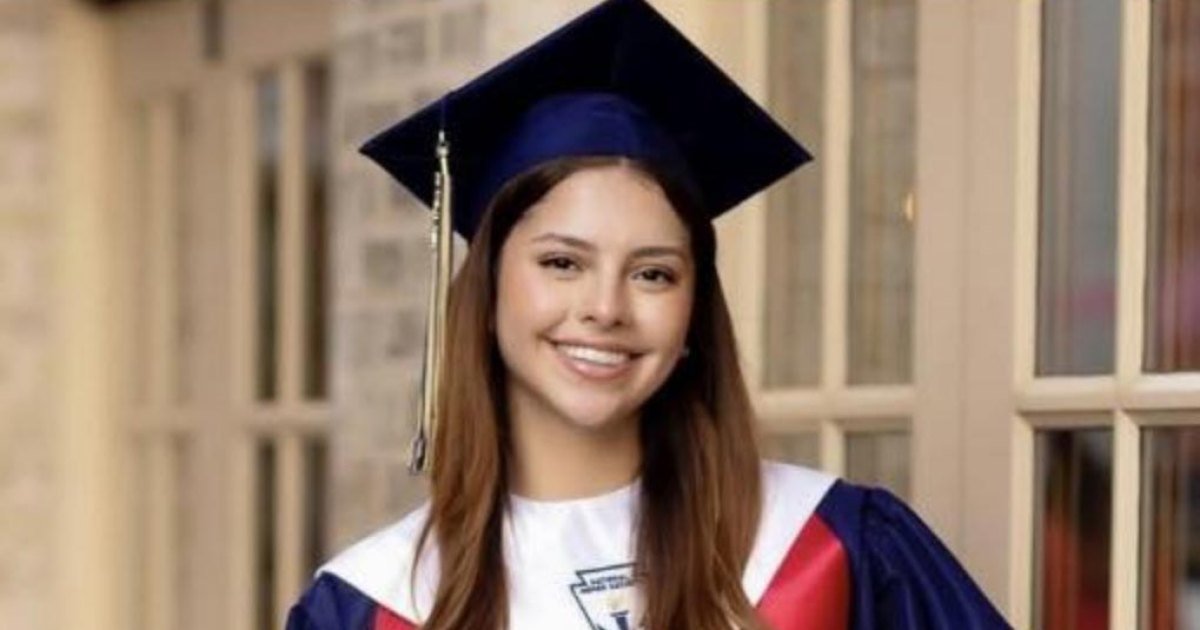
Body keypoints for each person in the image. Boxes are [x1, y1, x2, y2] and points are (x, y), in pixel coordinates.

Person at [287, 0, 1011, 628]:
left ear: (694, 312)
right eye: (562, 262)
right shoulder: (378, 605)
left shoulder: (830, 548)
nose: (606, 308)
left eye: (653, 273)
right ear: (486, 291)